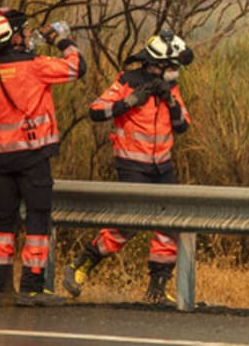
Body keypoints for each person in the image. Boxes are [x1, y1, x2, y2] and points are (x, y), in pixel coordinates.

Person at [63, 29, 193, 305]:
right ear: (156, 64)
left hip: (163, 167)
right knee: (127, 226)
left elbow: (183, 126)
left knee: (169, 226)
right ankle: (83, 264)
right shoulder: (128, 80)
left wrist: (170, 101)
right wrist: (130, 101)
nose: (175, 72)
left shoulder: (171, 88)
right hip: (132, 164)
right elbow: (96, 111)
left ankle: (157, 290)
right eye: (172, 66)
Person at [0, 7, 86, 307]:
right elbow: (77, 67)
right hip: (32, 157)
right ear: (14, 37)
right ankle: (31, 287)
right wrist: (61, 41)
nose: (28, 35)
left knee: (4, 223)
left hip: (3, 161)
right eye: (24, 31)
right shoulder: (35, 66)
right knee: (37, 221)